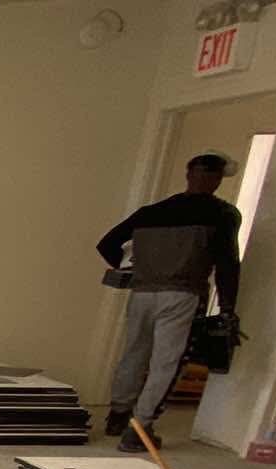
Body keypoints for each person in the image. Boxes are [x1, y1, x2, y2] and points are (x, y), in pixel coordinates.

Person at [96, 152, 242, 453]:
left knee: (133, 354)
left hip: (142, 292)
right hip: (182, 294)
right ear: (216, 179)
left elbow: (107, 244)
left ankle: (118, 415)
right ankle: (141, 427)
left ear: (188, 174)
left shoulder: (151, 212)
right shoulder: (223, 214)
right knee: (166, 362)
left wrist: (130, 269)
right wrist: (228, 307)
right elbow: (228, 262)